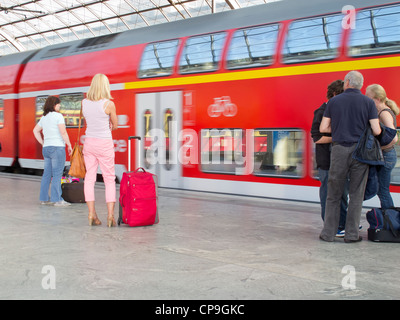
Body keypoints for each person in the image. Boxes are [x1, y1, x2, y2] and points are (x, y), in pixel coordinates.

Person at [319, 71, 381, 243]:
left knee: (334, 194)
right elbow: (377, 131)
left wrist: (339, 128)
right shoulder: (368, 102)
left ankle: (328, 234)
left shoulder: (334, 101)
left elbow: (324, 128)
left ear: (347, 82)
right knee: (356, 195)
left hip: (339, 150)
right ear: (360, 85)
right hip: (360, 152)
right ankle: (352, 235)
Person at [311, 80, 349, 236]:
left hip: (340, 160)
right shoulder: (321, 112)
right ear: (334, 94)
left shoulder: (337, 112)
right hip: (326, 162)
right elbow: (317, 137)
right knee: (327, 195)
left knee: (343, 194)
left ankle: (343, 222)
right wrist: (338, 137)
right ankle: (330, 226)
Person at [82, 74, 118, 227]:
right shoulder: (109, 104)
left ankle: (92, 214)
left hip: (89, 142)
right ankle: (110, 216)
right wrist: (109, 125)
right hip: (104, 143)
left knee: (89, 179)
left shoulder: (84, 102)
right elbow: (115, 125)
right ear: (105, 86)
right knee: (109, 179)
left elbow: (86, 121)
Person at [33, 96, 73, 206]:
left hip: (46, 149)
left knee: (47, 174)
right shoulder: (58, 116)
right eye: (58, 104)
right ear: (53, 105)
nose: (59, 105)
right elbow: (63, 133)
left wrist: (42, 143)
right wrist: (69, 144)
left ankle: (44, 199)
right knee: (57, 174)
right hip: (57, 148)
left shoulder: (44, 117)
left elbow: (35, 131)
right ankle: (57, 200)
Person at [366, 84, 399, 209]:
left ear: (377, 99)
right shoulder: (380, 111)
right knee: (382, 190)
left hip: (386, 156)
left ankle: (389, 219)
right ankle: (388, 219)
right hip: (386, 156)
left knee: (383, 191)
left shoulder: (384, 113)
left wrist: (379, 150)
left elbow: (394, 137)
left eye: (369, 98)